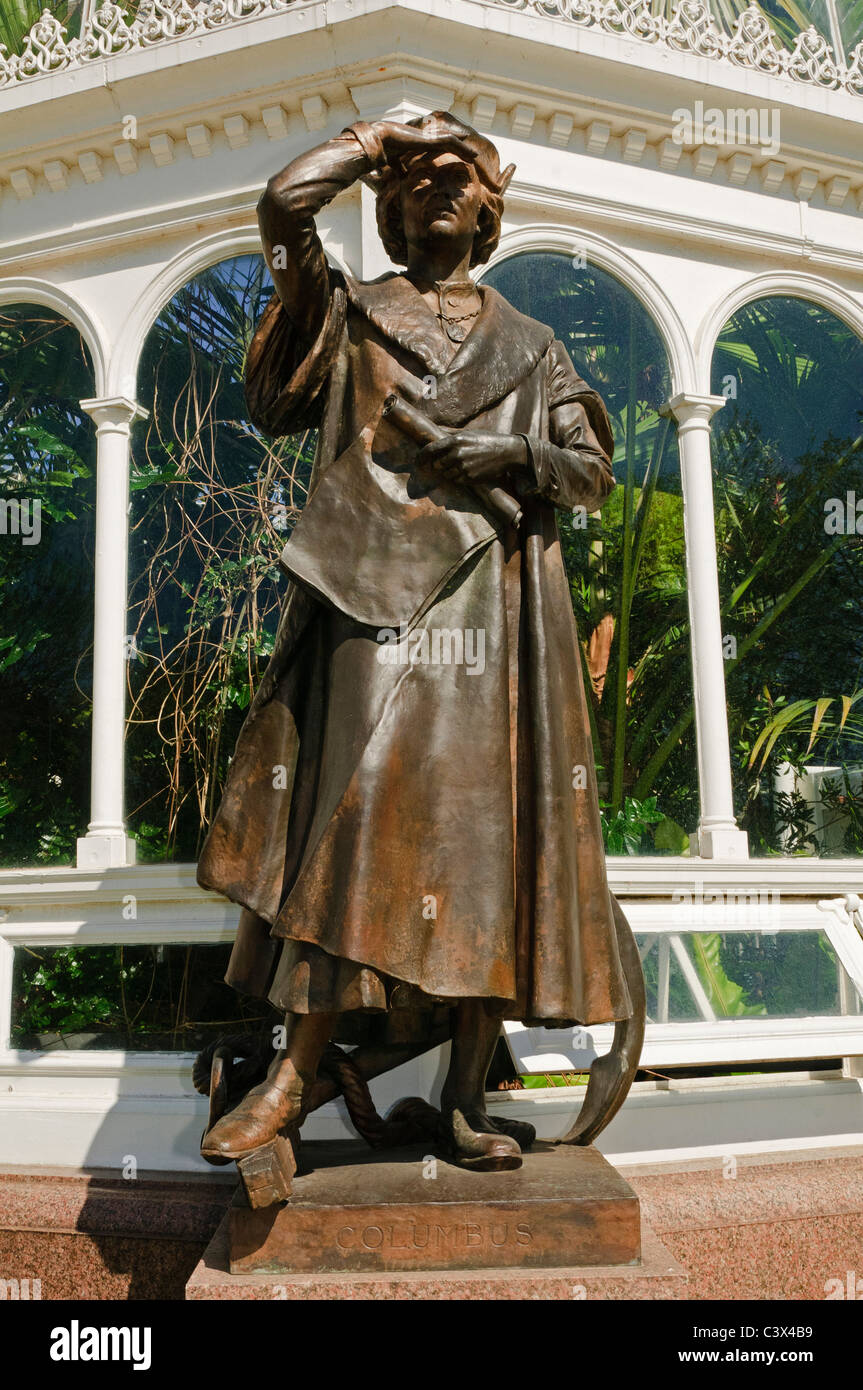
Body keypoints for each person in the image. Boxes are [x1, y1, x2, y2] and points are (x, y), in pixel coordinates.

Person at [197, 111, 633, 1171]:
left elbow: (589, 475)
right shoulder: (348, 314)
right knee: (348, 824)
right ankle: (295, 1074)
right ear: (388, 203)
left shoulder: (532, 345)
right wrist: (372, 139)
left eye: (460, 174)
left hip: (494, 618)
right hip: (368, 605)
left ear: (490, 207)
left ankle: (465, 1092)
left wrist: (507, 447)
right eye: (416, 176)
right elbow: (281, 208)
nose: (436, 185)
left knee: (491, 842)